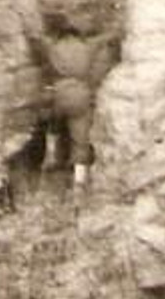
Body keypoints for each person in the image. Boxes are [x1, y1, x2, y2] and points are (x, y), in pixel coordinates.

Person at [30, 14, 121, 190]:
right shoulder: (87, 46)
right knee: (80, 139)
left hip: (59, 93)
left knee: (52, 122)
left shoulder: (53, 45)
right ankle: (79, 182)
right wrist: (116, 30)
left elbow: (37, 39)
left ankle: (52, 154)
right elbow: (106, 38)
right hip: (80, 95)